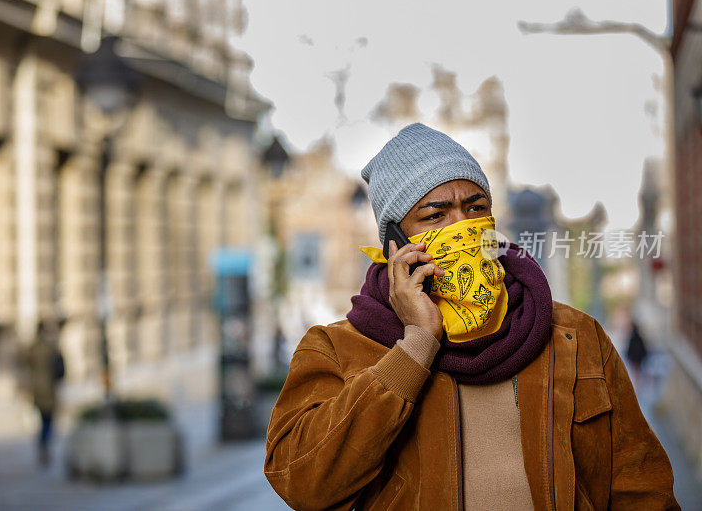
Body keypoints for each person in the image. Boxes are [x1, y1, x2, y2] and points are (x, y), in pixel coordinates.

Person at [264, 123, 678, 510]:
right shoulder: (338, 348)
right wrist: (415, 346)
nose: (463, 225)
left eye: (475, 207)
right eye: (435, 215)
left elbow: (641, 486)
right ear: (395, 242)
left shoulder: (574, 335)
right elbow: (302, 481)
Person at [27, 319, 65, 466]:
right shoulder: (51, 347)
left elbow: (27, 364)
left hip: (36, 388)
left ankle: (42, 442)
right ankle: (45, 442)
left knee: (42, 419)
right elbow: (60, 367)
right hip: (49, 388)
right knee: (48, 420)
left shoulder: (32, 348)